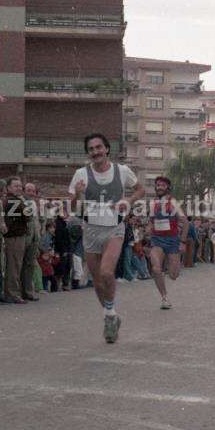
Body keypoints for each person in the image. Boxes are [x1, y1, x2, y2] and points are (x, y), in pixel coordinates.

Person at [68, 133, 144, 343]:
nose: (95, 152)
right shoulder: (81, 174)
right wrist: (78, 194)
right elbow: (73, 207)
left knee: (107, 273)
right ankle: (110, 316)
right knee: (98, 282)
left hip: (114, 228)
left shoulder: (122, 171)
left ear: (107, 149)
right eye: (91, 149)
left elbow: (140, 189)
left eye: (99, 147)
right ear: (88, 153)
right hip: (91, 230)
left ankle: (109, 313)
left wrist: (128, 200)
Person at [149, 176, 188, 310]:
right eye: (157, 185)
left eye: (162, 185)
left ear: (167, 188)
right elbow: (151, 221)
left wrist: (182, 242)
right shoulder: (152, 203)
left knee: (173, 275)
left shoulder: (173, 203)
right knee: (155, 268)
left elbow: (186, 223)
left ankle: (172, 264)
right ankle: (164, 297)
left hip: (172, 242)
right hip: (157, 240)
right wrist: (148, 230)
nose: (159, 187)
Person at [3, 177, 30, 304]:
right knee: (14, 266)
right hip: (14, 237)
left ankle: (13, 292)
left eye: (20, 186)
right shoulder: (14, 201)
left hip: (15, 236)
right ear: (8, 188)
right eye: (16, 186)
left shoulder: (13, 200)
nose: (19, 188)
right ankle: (13, 294)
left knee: (14, 265)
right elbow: (28, 215)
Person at [21, 182, 40, 301]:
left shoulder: (34, 203)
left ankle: (28, 291)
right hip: (24, 238)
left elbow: (37, 220)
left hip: (34, 238)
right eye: (29, 190)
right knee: (20, 265)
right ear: (24, 191)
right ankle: (20, 291)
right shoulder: (20, 202)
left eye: (33, 191)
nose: (31, 193)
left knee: (30, 265)